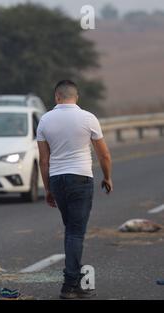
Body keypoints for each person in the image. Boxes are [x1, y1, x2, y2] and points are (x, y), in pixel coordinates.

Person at [36, 80, 113, 299]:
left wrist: (48, 189)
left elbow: (43, 160)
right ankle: (70, 284)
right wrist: (107, 177)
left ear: (56, 97)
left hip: (58, 179)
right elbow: (104, 154)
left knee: (71, 229)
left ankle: (73, 279)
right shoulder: (88, 118)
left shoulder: (45, 120)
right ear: (76, 97)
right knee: (75, 232)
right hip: (80, 178)